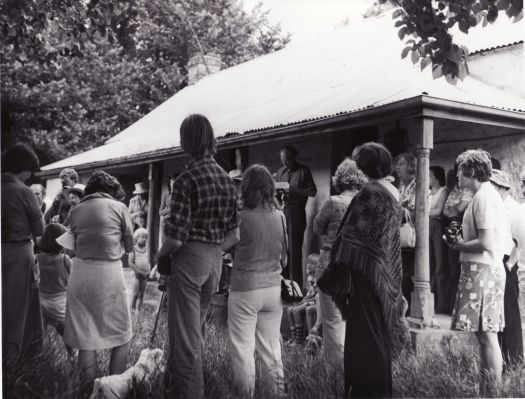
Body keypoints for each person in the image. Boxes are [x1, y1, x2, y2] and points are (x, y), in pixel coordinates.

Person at [318, 142, 408, 398]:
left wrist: (334, 267)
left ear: (364, 166)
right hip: (380, 274)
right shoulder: (391, 191)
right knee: (376, 337)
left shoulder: (371, 193)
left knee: (363, 341)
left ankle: (367, 393)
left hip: (365, 277)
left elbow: (350, 237)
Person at [158, 114, 239, 398]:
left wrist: (160, 256)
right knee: (195, 332)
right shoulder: (227, 181)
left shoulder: (185, 179)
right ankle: (175, 386)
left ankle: (189, 393)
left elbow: (176, 237)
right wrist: (213, 248)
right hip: (214, 260)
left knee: (184, 336)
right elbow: (235, 235)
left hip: (189, 258)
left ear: (187, 141)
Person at [444, 150, 506, 396]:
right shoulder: (483, 195)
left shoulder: (484, 197)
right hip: (480, 269)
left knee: (487, 334)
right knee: (483, 334)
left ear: (470, 171)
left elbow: (486, 241)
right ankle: (487, 390)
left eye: (459, 170)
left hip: (483, 270)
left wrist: (459, 245)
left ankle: (491, 392)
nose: (457, 175)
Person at [63, 170, 134, 385]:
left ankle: (88, 388)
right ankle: (113, 386)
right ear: (111, 192)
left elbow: (70, 247)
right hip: (109, 273)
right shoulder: (120, 208)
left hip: (80, 272)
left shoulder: (76, 210)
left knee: (86, 337)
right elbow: (130, 245)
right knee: (122, 334)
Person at [227, 164, 286, 397]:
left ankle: (245, 395)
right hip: (273, 288)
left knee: (243, 349)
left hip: (245, 287)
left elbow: (228, 247)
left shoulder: (240, 217)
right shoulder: (280, 217)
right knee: (272, 351)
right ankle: (277, 395)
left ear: (247, 187)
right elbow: (285, 259)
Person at [313, 158, 366, 356]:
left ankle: (334, 374)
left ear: (340, 179)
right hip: (358, 265)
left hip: (331, 264)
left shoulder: (334, 202)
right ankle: (353, 369)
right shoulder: (367, 204)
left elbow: (317, 228)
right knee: (353, 320)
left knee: (333, 321)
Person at [1, 143, 45, 369]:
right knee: (17, 307)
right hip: (18, 251)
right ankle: (11, 361)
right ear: (24, 169)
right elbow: (40, 231)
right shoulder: (24, 191)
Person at [489, 169, 523, 365]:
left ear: (502, 188)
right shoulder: (493, 205)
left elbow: (520, 241)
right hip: (494, 260)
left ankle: (515, 360)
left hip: (507, 262)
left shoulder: (515, 209)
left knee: (510, 312)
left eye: (493, 186)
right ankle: (500, 358)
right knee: (497, 312)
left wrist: (509, 264)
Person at [275, 145, 317, 288]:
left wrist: (296, 190)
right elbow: (275, 193)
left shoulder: (303, 170)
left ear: (294, 158)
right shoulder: (280, 172)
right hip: (281, 213)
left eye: (288, 160)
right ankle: (284, 288)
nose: (285, 163)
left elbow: (313, 192)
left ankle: (296, 288)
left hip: (296, 214)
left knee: (294, 251)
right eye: (282, 160)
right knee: (281, 251)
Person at [36, 223, 73, 354]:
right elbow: (75, 279)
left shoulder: (37, 258)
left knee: (40, 338)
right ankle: (73, 358)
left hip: (40, 302)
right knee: (69, 336)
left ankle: (41, 359)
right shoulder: (65, 259)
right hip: (59, 304)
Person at [443, 164, 473, 313]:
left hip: (461, 226)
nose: (458, 175)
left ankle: (457, 306)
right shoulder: (456, 188)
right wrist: (453, 210)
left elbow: (459, 209)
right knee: (451, 268)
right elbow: (445, 210)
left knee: (458, 266)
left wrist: (452, 209)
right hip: (451, 224)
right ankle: (449, 305)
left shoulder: (469, 190)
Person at [395, 152, 417, 309]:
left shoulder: (418, 186)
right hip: (399, 233)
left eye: (401, 164)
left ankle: (407, 307)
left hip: (411, 234)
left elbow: (418, 211)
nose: (397, 168)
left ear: (410, 167)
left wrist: (400, 210)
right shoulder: (402, 187)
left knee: (406, 273)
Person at [429, 165, 449, 313]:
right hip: (427, 226)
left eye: (429, 175)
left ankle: (441, 302)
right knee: (428, 264)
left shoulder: (444, 191)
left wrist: (423, 211)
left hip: (437, 226)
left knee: (440, 264)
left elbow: (438, 211)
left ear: (436, 177)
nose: (427, 178)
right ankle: (430, 301)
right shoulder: (428, 192)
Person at [286, 253, 319, 344]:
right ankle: (294, 337)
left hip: (314, 302)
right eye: (308, 262)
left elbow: (316, 297)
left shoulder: (318, 279)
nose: (308, 265)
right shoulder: (309, 277)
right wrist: (301, 301)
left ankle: (299, 339)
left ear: (317, 266)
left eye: (312, 263)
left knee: (296, 310)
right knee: (289, 309)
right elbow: (308, 294)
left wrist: (304, 302)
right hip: (308, 300)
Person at [129, 228, 150, 311]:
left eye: (146, 238)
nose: (145, 239)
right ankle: (132, 310)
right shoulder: (133, 249)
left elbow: (148, 261)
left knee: (142, 294)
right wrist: (138, 271)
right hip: (136, 275)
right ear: (137, 237)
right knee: (135, 294)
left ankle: (139, 311)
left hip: (145, 275)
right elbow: (130, 263)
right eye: (143, 237)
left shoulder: (146, 250)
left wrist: (149, 270)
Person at [159, 173, 179, 247]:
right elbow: (160, 212)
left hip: (176, 222)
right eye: (172, 181)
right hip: (166, 221)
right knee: (164, 243)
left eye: (174, 181)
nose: (172, 183)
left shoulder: (181, 194)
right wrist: (169, 210)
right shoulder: (166, 194)